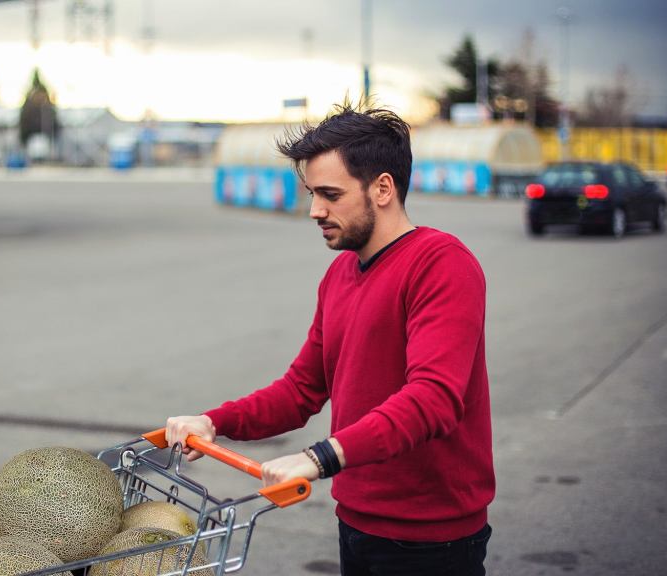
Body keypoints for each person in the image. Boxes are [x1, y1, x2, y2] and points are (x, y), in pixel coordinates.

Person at [166, 101, 495, 576]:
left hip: (432, 540)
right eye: (311, 193)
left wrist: (318, 458)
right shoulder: (341, 273)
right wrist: (213, 421)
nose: (314, 210)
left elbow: (433, 399)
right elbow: (300, 390)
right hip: (356, 523)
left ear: (383, 188)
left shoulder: (440, 263)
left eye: (330, 194)